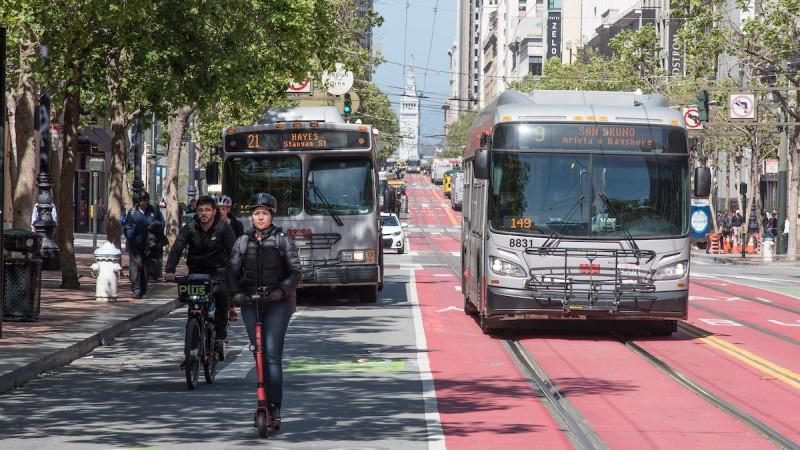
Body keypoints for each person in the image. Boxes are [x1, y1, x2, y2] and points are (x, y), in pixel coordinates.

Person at [227, 193, 302, 430]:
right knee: (257, 353)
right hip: (251, 302)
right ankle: (262, 402)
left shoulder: (283, 240)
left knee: (270, 355)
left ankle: (275, 407)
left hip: (278, 302)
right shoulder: (242, 242)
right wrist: (236, 293)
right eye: (257, 214)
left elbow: (295, 272)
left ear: (272, 215)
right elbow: (231, 272)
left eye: (265, 213)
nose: (260, 218)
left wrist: (283, 290)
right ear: (252, 217)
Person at [165, 195, 236, 343]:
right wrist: (170, 270)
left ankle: (221, 329)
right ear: (196, 211)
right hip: (196, 273)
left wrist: (235, 271)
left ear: (214, 212)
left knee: (223, 294)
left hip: (219, 273)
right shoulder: (190, 227)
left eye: (208, 210)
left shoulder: (224, 228)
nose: (204, 213)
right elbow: (177, 248)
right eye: (200, 210)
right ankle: (192, 346)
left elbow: (234, 252)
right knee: (192, 304)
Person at [124, 191, 164, 299]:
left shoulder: (154, 211)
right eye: (141, 200)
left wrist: (155, 225)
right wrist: (130, 236)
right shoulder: (132, 212)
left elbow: (162, 223)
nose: (143, 203)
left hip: (149, 244)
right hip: (135, 244)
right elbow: (127, 226)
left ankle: (143, 288)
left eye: (145, 200)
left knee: (146, 267)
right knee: (136, 265)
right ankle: (136, 289)